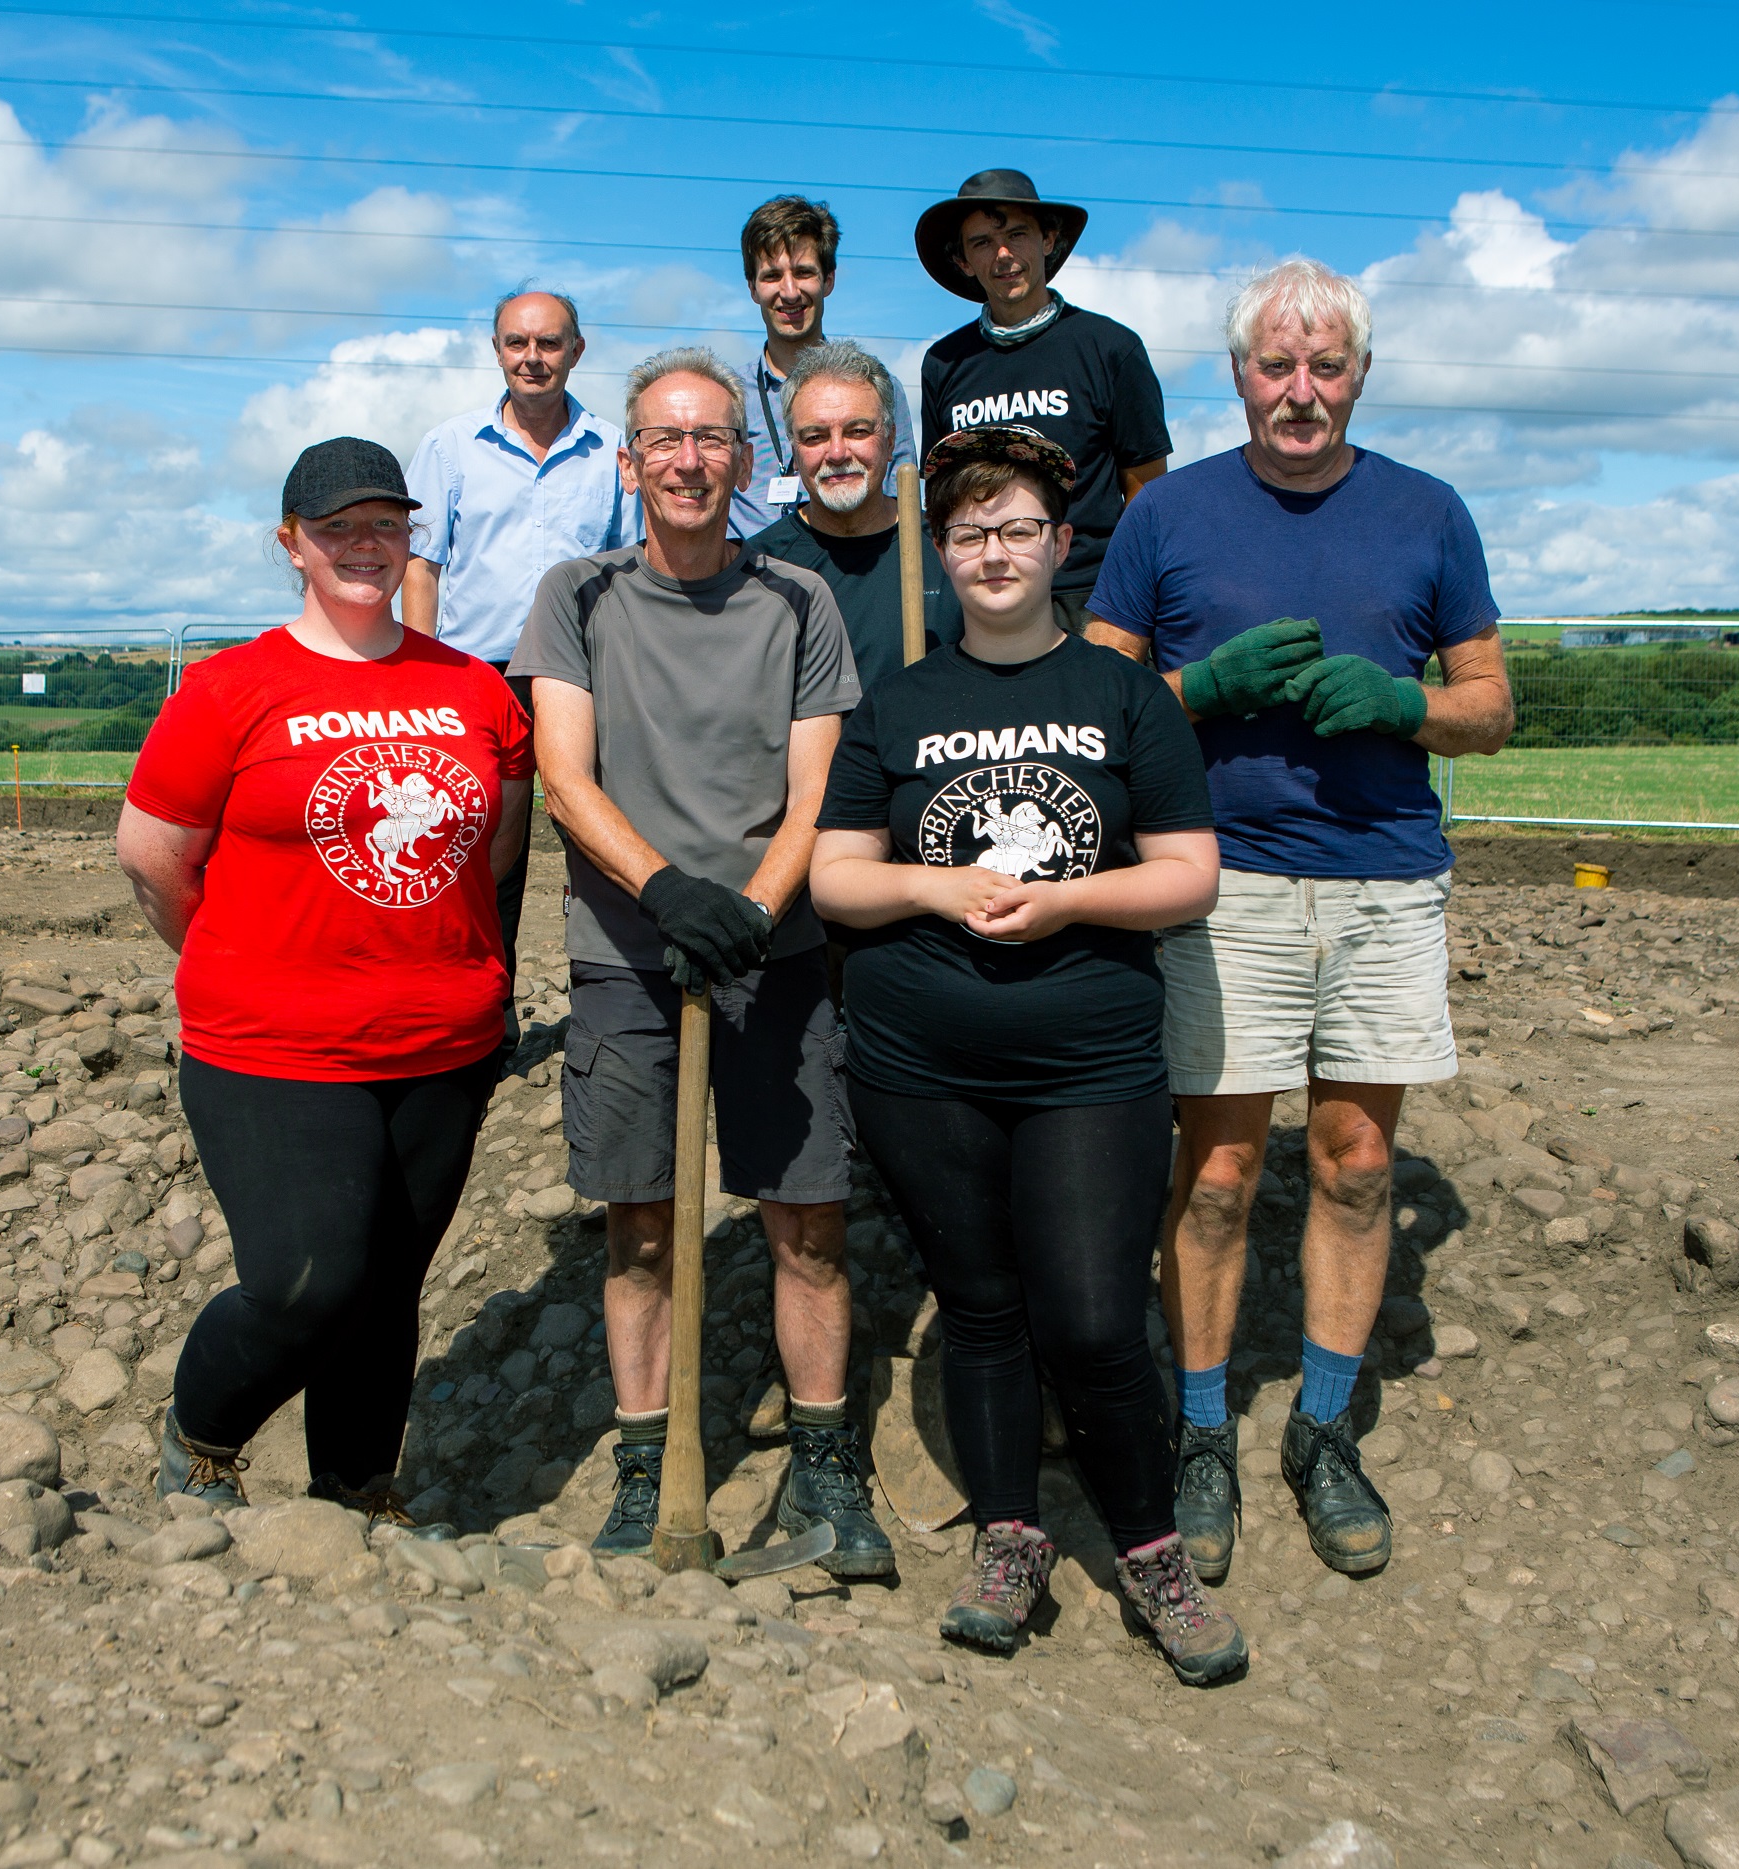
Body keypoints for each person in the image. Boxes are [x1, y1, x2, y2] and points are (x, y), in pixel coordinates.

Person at [1085, 257, 1517, 1584]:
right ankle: (1202, 1428)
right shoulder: (1166, 518)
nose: (1298, 391)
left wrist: (1400, 709)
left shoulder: (1426, 512)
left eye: (1324, 366)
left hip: (1384, 875)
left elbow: (1487, 705)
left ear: (1358, 376)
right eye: (1275, 366)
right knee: (1213, 1174)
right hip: (1224, 880)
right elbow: (1096, 705)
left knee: (1352, 1163)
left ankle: (1321, 1428)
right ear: (1236, 376)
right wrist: (1197, 690)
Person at [811, 423, 1238, 1685]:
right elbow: (838, 879)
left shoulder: (1121, 698)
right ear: (938, 554)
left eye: (1016, 531)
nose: (992, 553)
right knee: (983, 1309)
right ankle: (1010, 1539)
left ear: (1060, 546)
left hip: (1087, 1066)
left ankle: (1151, 1552)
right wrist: (941, 889)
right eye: (967, 533)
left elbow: (1189, 873)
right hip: (917, 1063)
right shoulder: (898, 703)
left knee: (1097, 1319)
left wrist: (1062, 902)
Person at [509, 346, 893, 1579]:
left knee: (808, 1221)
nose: (688, 459)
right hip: (628, 957)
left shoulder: (796, 601)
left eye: (713, 439)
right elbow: (564, 774)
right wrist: (668, 891)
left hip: (773, 958)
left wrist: (751, 911)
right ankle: (645, 1470)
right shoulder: (577, 595)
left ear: (743, 461)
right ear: (629, 461)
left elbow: (815, 788)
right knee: (639, 1227)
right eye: (666, 440)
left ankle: (827, 1467)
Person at [118, 437, 535, 1522]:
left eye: (384, 526)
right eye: (336, 528)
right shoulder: (230, 688)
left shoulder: (473, 689)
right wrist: (242, 959)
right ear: (291, 543)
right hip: (271, 1046)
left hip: (442, 1043)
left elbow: (490, 845)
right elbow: (153, 855)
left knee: (386, 1288)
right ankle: (202, 1438)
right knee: (310, 1282)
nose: (363, 546)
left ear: (411, 539)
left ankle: (356, 1482)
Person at [403, 288, 641, 996]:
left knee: (595, 839)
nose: (531, 358)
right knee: (482, 845)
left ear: (576, 350)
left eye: (547, 343)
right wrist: (419, 677)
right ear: (497, 349)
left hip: (578, 675)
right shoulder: (449, 447)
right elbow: (422, 565)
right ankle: (482, 1000)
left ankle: (611, 996)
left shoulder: (610, 452)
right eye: (517, 343)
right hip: (476, 676)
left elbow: (629, 569)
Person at [915, 170, 1169, 629]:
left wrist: (1122, 604)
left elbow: (1147, 492)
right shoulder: (943, 362)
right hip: (984, 597)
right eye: (983, 242)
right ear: (963, 261)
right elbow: (939, 495)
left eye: (1017, 234)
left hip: (1089, 600)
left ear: (1049, 239)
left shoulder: (1110, 347)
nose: (1004, 255)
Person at [748, 341, 959, 693]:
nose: (836, 452)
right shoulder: (758, 568)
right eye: (815, 436)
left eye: (858, 431)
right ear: (794, 451)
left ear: (891, 440)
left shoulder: (951, 551)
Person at [731, 196, 916, 540]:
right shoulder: (728, 397)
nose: (789, 293)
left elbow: (903, 502)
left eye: (804, 273)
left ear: (829, 279)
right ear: (752, 288)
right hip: (752, 581)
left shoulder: (879, 390)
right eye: (772, 276)